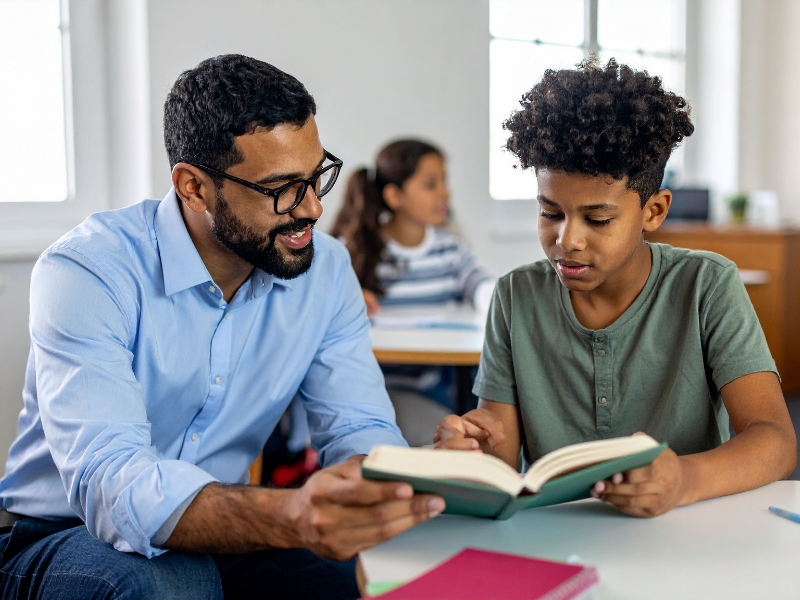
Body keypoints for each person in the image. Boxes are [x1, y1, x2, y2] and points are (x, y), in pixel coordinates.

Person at [0, 55, 444, 600]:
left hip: (219, 533)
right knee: (169, 584)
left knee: (360, 577)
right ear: (193, 187)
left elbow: (357, 428)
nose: (311, 209)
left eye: (315, 176)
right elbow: (112, 487)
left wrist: (392, 489)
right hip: (61, 533)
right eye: (281, 187)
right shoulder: (89, 271)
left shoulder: (325, 270)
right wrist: (290, 513)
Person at [434, 58, 797, 518]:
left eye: (598, 219)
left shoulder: (706, 284)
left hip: (683, 529)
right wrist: (471, 452)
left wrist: (682, 480)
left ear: (654, 211)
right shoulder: (515, 296)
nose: (567, 240)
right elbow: (500, 466)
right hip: (554, 538)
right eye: (550, 213)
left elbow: (776, 441)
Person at [331, 140, 494, 445]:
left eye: (444, 181)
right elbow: (320, 299)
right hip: (372, 386)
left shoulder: (450, 248)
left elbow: (481, 285)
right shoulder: (359, 250)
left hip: (433, 384)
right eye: (431, 184)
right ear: (395, 196)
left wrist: (496, 298)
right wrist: (346, 297)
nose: (445, 192)